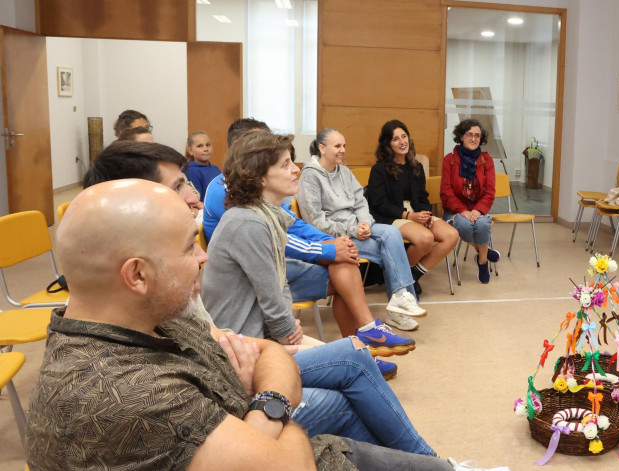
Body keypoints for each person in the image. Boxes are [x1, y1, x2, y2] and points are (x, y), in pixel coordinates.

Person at [24, 179, 507, 471]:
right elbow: (288, 457)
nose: (204, 258)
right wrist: (274, 406)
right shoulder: (120, 392)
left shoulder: (150, 318)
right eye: (187, 247)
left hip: (311, 450)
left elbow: (269, 355)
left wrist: (261, 407)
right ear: (137, 274)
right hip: (302, 454)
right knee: (349, 391)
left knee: (356, 409)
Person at [202, 119, 412, 371]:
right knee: (354, 370)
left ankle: (366, 337)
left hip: (266, 302)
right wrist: (329, 249)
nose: (296, 169)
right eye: (285, 163)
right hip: (248, 326)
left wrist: (332, 242)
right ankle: (364, 346)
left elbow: (292, 233)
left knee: (345, 265)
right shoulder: (240, 212)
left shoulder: (265, 209)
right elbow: (275, 261)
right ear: (251, 163)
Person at [298, 128, 426, 331]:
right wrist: (352, 230)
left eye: (344, 146)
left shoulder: (344, 171)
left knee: (393, 233)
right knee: (390, 247)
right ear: (322, 148)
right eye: (337, 146)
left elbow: (360, 202)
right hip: (331, 237)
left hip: (357, 227)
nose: (342, 150)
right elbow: (315, 221)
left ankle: (400, 298)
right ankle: (399, 308)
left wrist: (365, 222)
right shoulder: (310, 177)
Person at [366, 119, 459, 295]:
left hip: (415, 214)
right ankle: (401, 276)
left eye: (404, 136)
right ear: (387, 144)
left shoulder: (416, 166)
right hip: (392, 217)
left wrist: (426, 214)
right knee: (426, 238)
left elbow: (423, 197)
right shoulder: (379, 169)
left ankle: (411, 274)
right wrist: (409, 216)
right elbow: (379, 204)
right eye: (395, 139)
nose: (402, 141)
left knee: (451, 234)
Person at [441, 119, 500, 284]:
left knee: (481, 224)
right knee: (464, 224)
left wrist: (479, 210)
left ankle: (482, 263)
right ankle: (485, 252)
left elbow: (490, 191)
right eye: (469, 135)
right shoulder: (449, 160)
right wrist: (462, 210)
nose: (474, 139)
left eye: (477, 136)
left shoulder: (486, 160)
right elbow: (446, 192)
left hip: (477, 209)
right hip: (455, 210)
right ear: (461, 136)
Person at [184, 130, 223, 201]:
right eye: (200, 146)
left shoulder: (216, 169)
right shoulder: (191, 170)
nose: (206, 149)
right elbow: (196, 200)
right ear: (190, 151)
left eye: (208, 145)